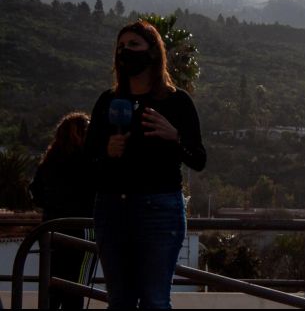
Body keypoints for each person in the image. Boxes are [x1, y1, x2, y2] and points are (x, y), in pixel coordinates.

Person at [84, 19, 206, 309]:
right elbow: (87, 160)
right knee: (120, 300)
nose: (125, 51)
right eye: (120, 46)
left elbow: (198, 158)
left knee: (155, 300)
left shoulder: (177, 102)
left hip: (159, 210)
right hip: (112, 209)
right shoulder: (108, 102)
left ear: (152, 52)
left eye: (133, 44)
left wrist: (174, 137)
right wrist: (107, 150)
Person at [29, 112, 97, 310]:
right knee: (77, 288)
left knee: (52, 287)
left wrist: (53, 207)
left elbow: (36, 193)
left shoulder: (49, 162)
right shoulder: (89, 162)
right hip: (82, 231)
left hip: (52, 231)